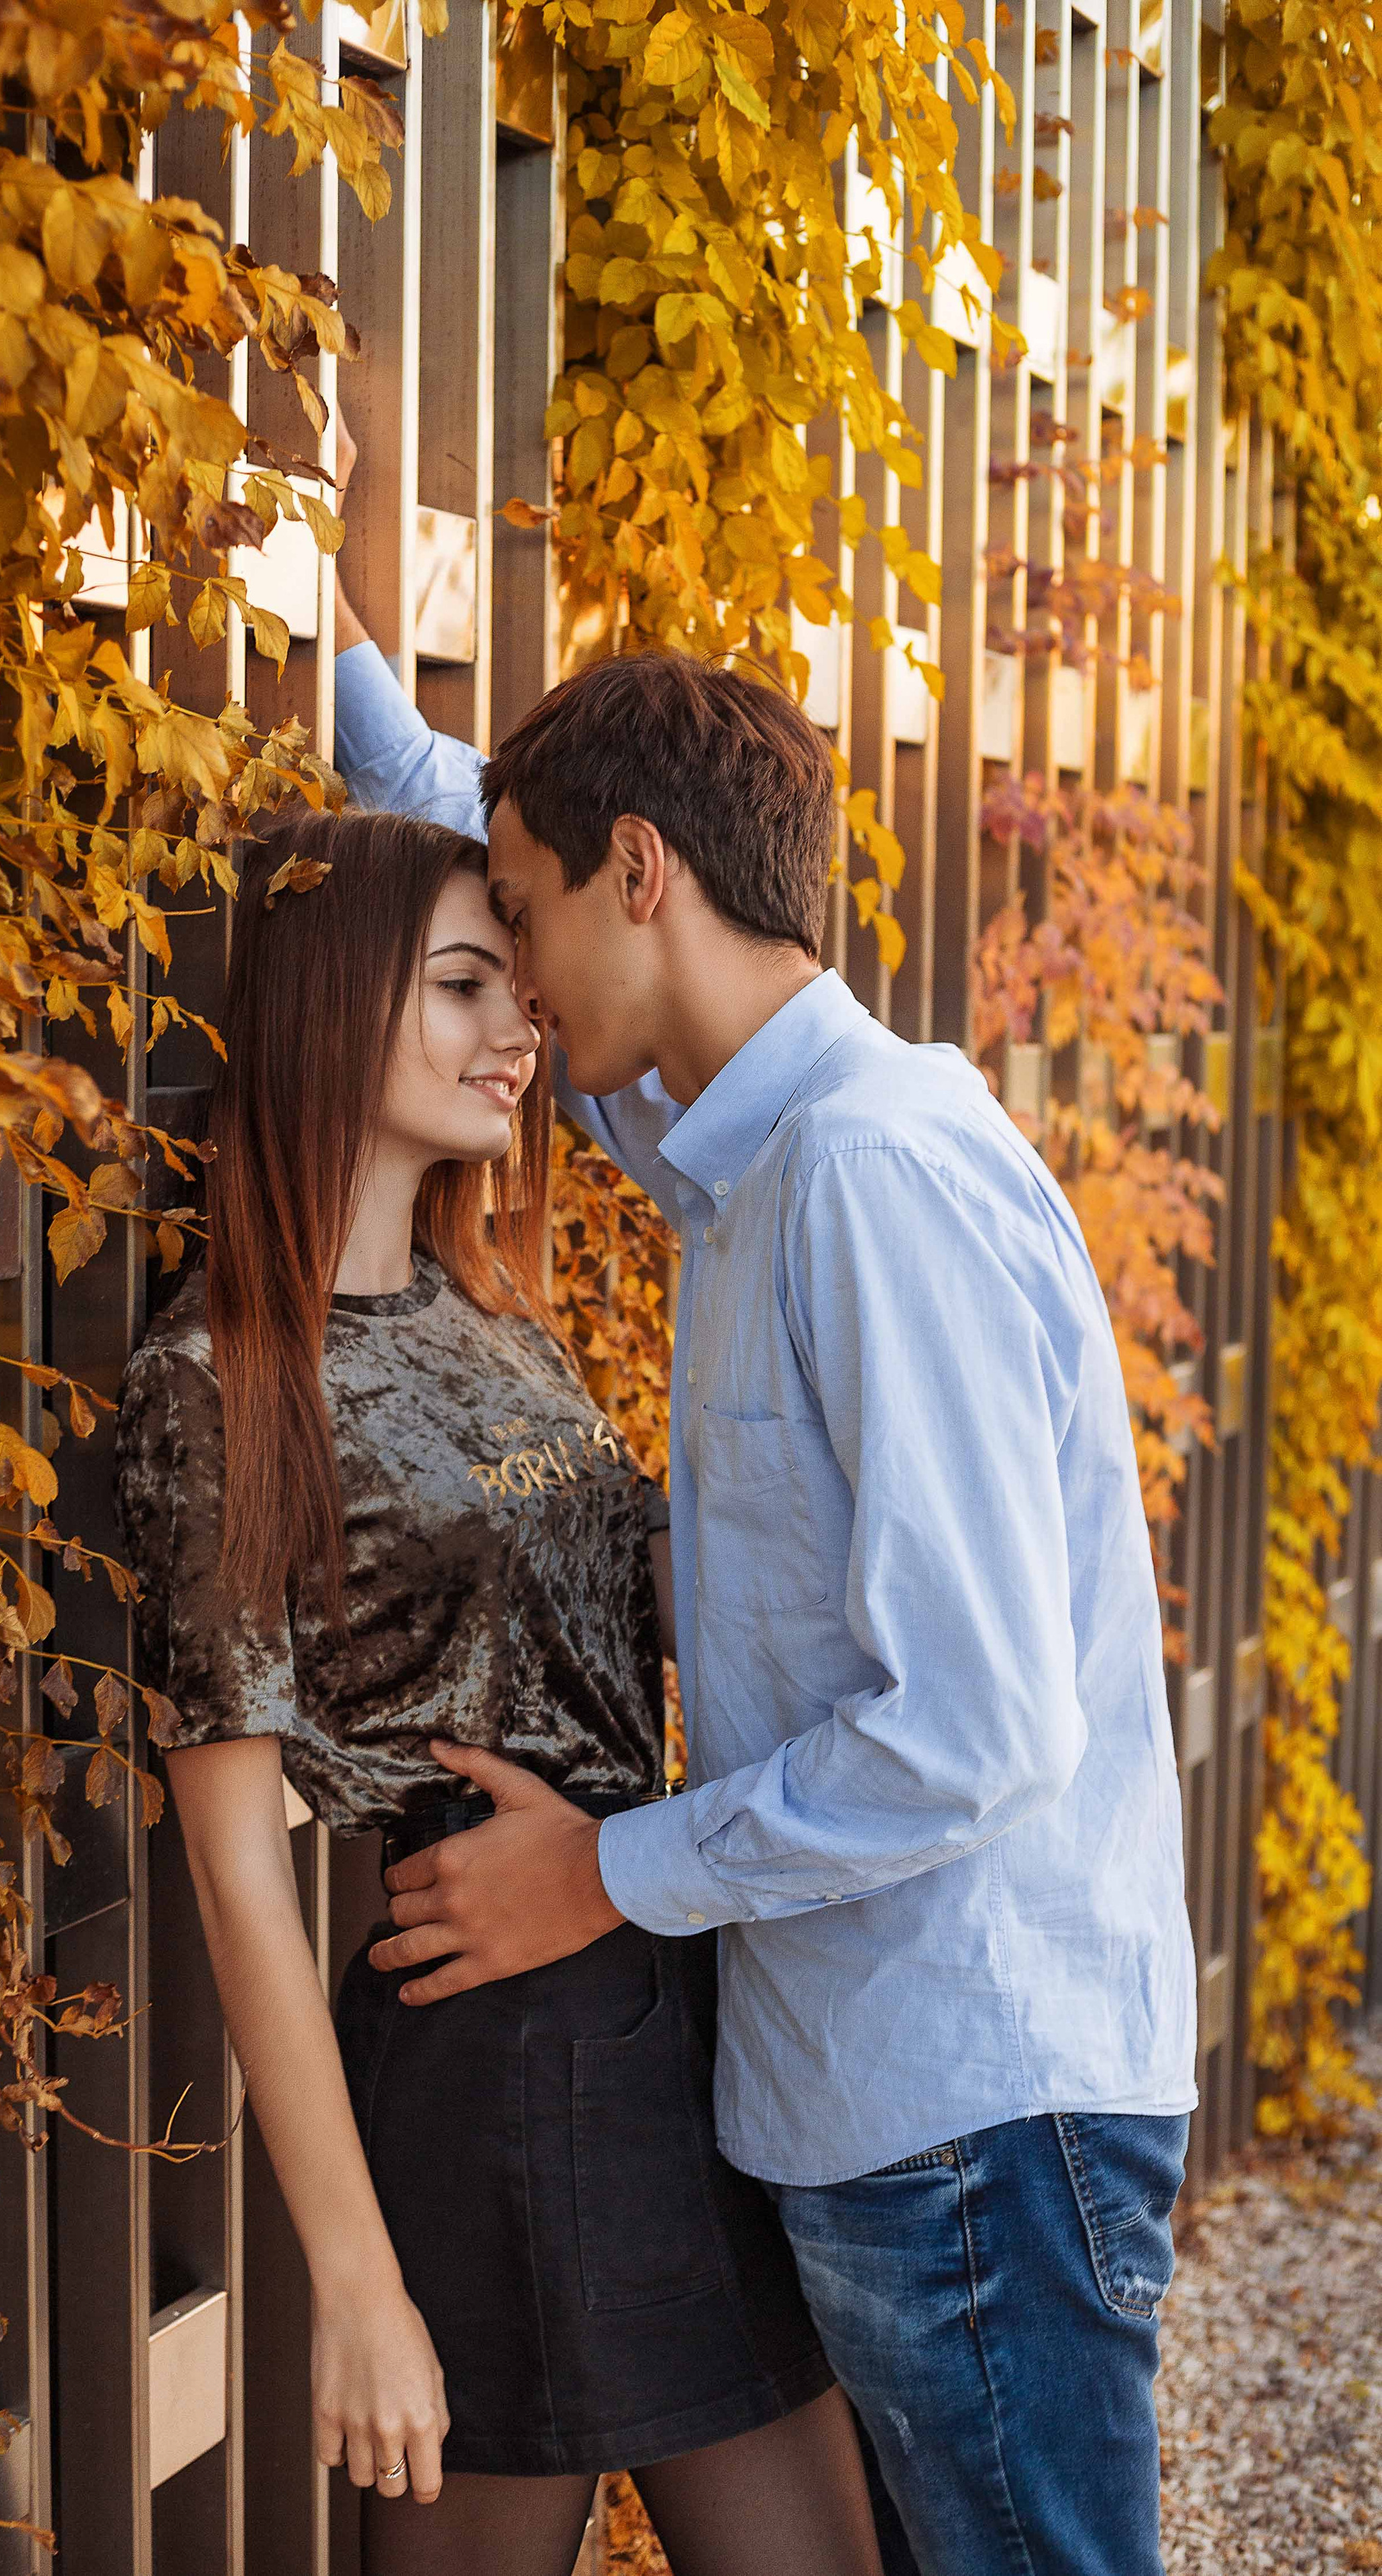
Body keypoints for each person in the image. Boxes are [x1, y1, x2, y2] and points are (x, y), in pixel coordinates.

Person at [329, 445, 1199, 2576]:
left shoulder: (868, 1183)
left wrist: (602, 1879)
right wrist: (330, 606)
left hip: (973, 2116)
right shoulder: (750, 1151)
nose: (511, 987)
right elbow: (469, 804)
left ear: (643, 875)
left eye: (518, 921)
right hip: (892, 2100)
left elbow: (976, 1726)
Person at [114, 806, 884, 2576]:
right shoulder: (225, 1377)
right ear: (330, 1004)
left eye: (517, 986)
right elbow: (234, 1866)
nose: (517, 1035)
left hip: (672, 1999)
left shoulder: (493, 1312)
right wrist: (361, 2285)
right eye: (462, 987)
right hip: (486, 2047)